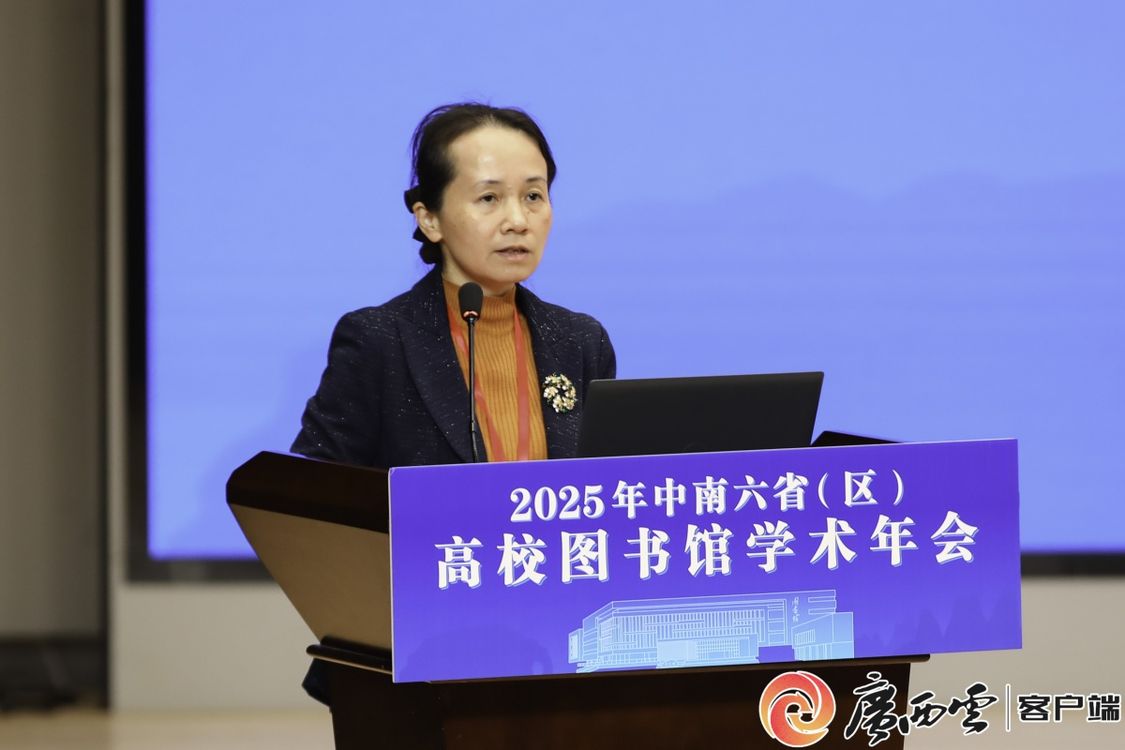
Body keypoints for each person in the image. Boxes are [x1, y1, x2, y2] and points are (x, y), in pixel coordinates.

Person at [290, 102, 616, 703]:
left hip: (562, 652)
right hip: (419, 659)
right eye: (489, 198)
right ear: (430, 218)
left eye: (534, 196)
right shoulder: (378, 340)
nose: (517, 220)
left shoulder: (580, 341)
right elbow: (313, 502)